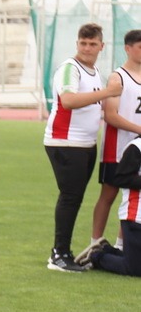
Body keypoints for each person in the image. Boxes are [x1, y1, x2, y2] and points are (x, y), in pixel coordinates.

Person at [42, 23, 110, 271]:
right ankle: (58, 254)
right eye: (83, 43)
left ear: (101, 46)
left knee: (75, 197)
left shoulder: (95, 72)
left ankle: (64, 252)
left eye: (92, 44)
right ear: (77, 43)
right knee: (70, 197)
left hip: (86, 143)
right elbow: (69, 100)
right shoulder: (71, 68)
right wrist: (107, 92)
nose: (87, 48)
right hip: (66, 142)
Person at [83, 29, 141, 263]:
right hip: (117, 147)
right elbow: (110, 115)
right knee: (109, 194)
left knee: (133, 194)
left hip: (137, 149)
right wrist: (138, 130)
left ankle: (122, 244)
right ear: (128, 48)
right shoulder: (118, 77)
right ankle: (95, 242)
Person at [91, 137, 141, 274]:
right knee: (135, 269)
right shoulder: (137, 147)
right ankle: (96, 256)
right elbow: (121, 178)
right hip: (136, 217)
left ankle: (108, 250)